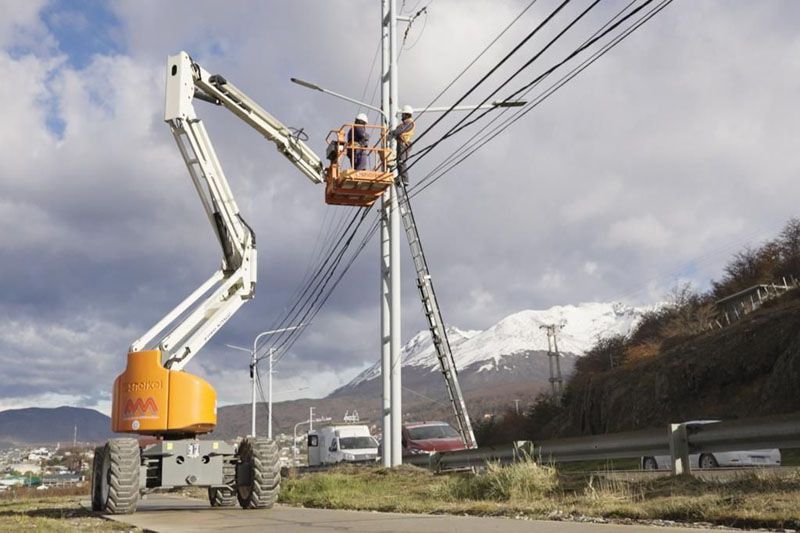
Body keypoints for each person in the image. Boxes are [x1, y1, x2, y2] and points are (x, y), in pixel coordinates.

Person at [391, 105, 415, 185]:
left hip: (403, 144)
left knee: (401, 161)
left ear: (406, 114)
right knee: (399, 162)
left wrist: (393, 132)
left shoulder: (409, 123)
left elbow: (400, 131)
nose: (402, 116)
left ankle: (404, 179)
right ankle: (400, 178)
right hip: (401, 144)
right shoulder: (405, 124)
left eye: (403, 114)